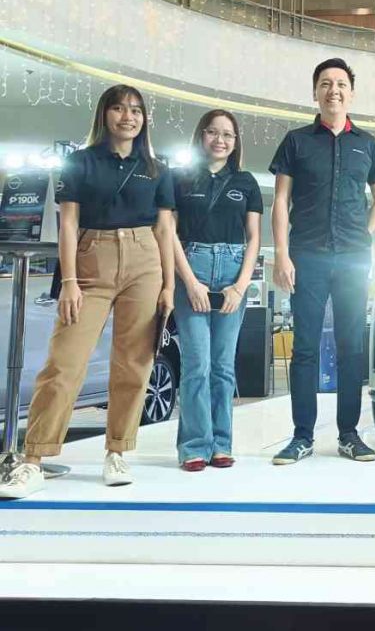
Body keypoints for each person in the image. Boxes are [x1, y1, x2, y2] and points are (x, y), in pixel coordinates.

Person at [0, 85, 176, 499]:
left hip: (145, 259)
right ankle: (33, 459)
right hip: (90, 258)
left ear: (144, 119)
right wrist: (70, 281)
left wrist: (169, 284)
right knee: (64, 363)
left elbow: (166, 229)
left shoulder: (156, 168)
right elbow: (68, 224)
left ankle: (117, 450)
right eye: (118, 108)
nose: (128, 117)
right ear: (105, 114)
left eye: (135, 110)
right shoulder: (80, 162)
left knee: (134, 363)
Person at [269, 58, 375, 465]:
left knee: (351, 347)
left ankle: (349, 434)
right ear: (315, 92)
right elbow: (281, 200)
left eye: (340, 84)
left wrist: (363, 236)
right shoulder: (296, 141)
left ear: (351, 93)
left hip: (354, 260)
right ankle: (302, 435)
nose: (333, 90)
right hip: (307, 257)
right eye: (325, 84)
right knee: (304, 348)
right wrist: (282, 254)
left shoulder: (368, 144)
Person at [171, 110, 262, 472]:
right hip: (191, 266)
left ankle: (221, 443)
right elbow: (171, 234)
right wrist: (190, 282)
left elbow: (254, 237)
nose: (220, 140)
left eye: (228, 134)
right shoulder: (180, 179)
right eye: (212, 132)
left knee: (223, 367)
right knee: (197, 364)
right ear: (201, 136)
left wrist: (241, 286)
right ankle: (194, 446)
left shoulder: (246, 182)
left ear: (235, 142)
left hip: (232, 270)